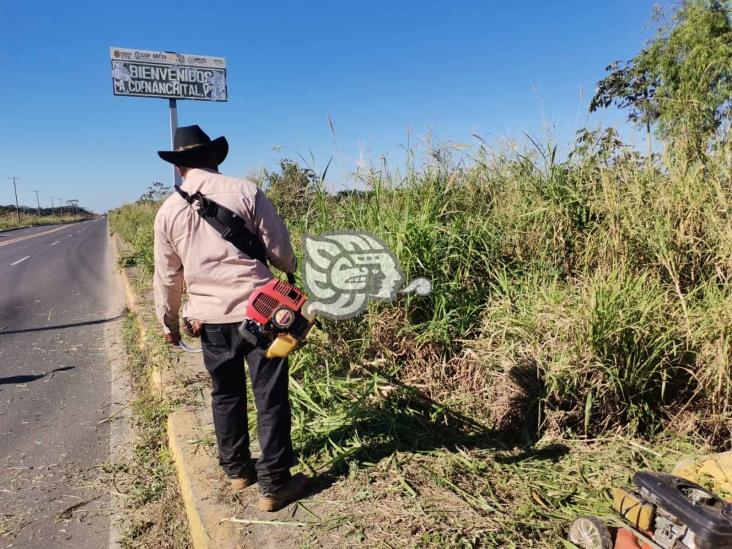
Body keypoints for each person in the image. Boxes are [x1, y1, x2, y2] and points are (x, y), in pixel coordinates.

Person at [153, 124, 306, 512]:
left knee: (225, 393)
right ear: (213, 158)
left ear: (181, 167)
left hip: (209, 320)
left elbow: (168, 276)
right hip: (264, 315)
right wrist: (287, 267)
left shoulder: (168, 211)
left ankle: (238, 470)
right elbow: (279, 250)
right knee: (269, 396)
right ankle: (274, 485)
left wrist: (168, 322)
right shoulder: (246, 191)